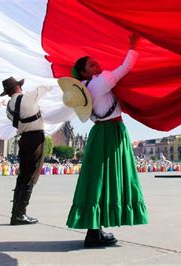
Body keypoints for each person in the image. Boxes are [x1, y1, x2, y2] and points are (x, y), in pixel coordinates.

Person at [66, 33, 148, 247]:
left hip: (99, 133)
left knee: (98, 180)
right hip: (112, 133)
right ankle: (94, 233)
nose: (97, 65)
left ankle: (95, 230)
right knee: (109, 178)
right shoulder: (99, 83)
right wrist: (133, 45)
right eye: (92, 64)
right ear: (84, 72)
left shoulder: (83, 91)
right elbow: (125, 68)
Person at [0, 76, 50, 225]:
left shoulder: (8, 107)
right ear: (18, 87)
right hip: (35, 138)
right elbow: (46, 86)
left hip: (23, 138)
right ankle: (20, 214)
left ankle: (16, 213)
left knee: (23, 175)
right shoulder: (28, 97)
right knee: (31, 175)